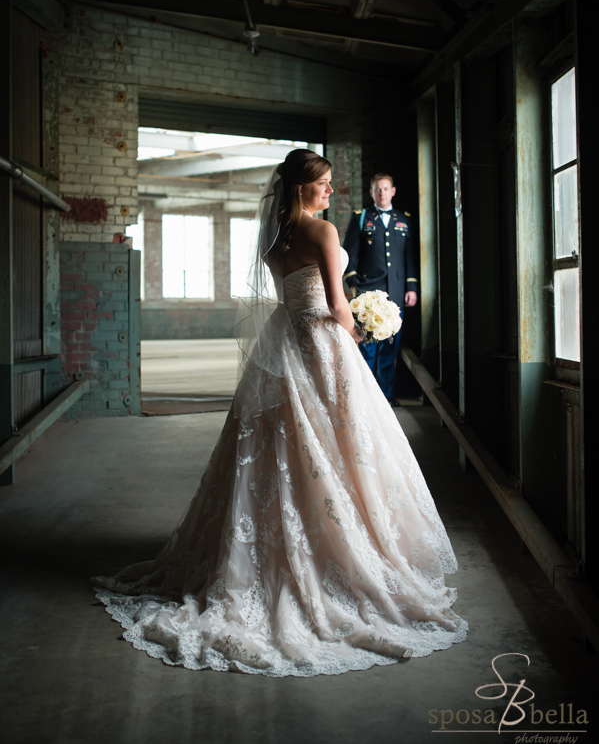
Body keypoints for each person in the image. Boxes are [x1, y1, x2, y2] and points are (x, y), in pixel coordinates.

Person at [92, 149, 467, 677]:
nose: (333, 192)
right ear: (301, 188)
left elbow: (291, 299)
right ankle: (332, 555)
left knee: (280, 446)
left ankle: (276, 548)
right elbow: (337, 305)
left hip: (286, 342)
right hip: (322, 345)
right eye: (325, 184)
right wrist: (361, 329)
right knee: (338, 443)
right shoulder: (324, 233)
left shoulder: (275, 241)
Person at [343, 174, 418, 407]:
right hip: (368, 294)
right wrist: (354, 282)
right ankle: (366, 397)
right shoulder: (361, 218)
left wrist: (412, 287)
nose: (382, 193)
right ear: (371, 192)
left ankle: (385, 396)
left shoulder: (404, 219)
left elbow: (410, 256)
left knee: (389, 347)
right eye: (378, 189)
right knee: (366, 347)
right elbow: (349, 254)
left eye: (386, 189)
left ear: (393, 191)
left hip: (395, 293)